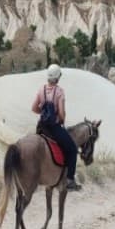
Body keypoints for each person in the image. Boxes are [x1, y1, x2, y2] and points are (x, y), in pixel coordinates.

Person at [32, 63, 81, 191]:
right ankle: (70, 180)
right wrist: (61, 119)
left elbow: (33, 108)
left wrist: (43, 113)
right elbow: (61, 113)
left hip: (41, 127)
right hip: (54, 128)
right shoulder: (59, 92)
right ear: (58, 78)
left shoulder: (41, 89)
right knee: (72, 149)